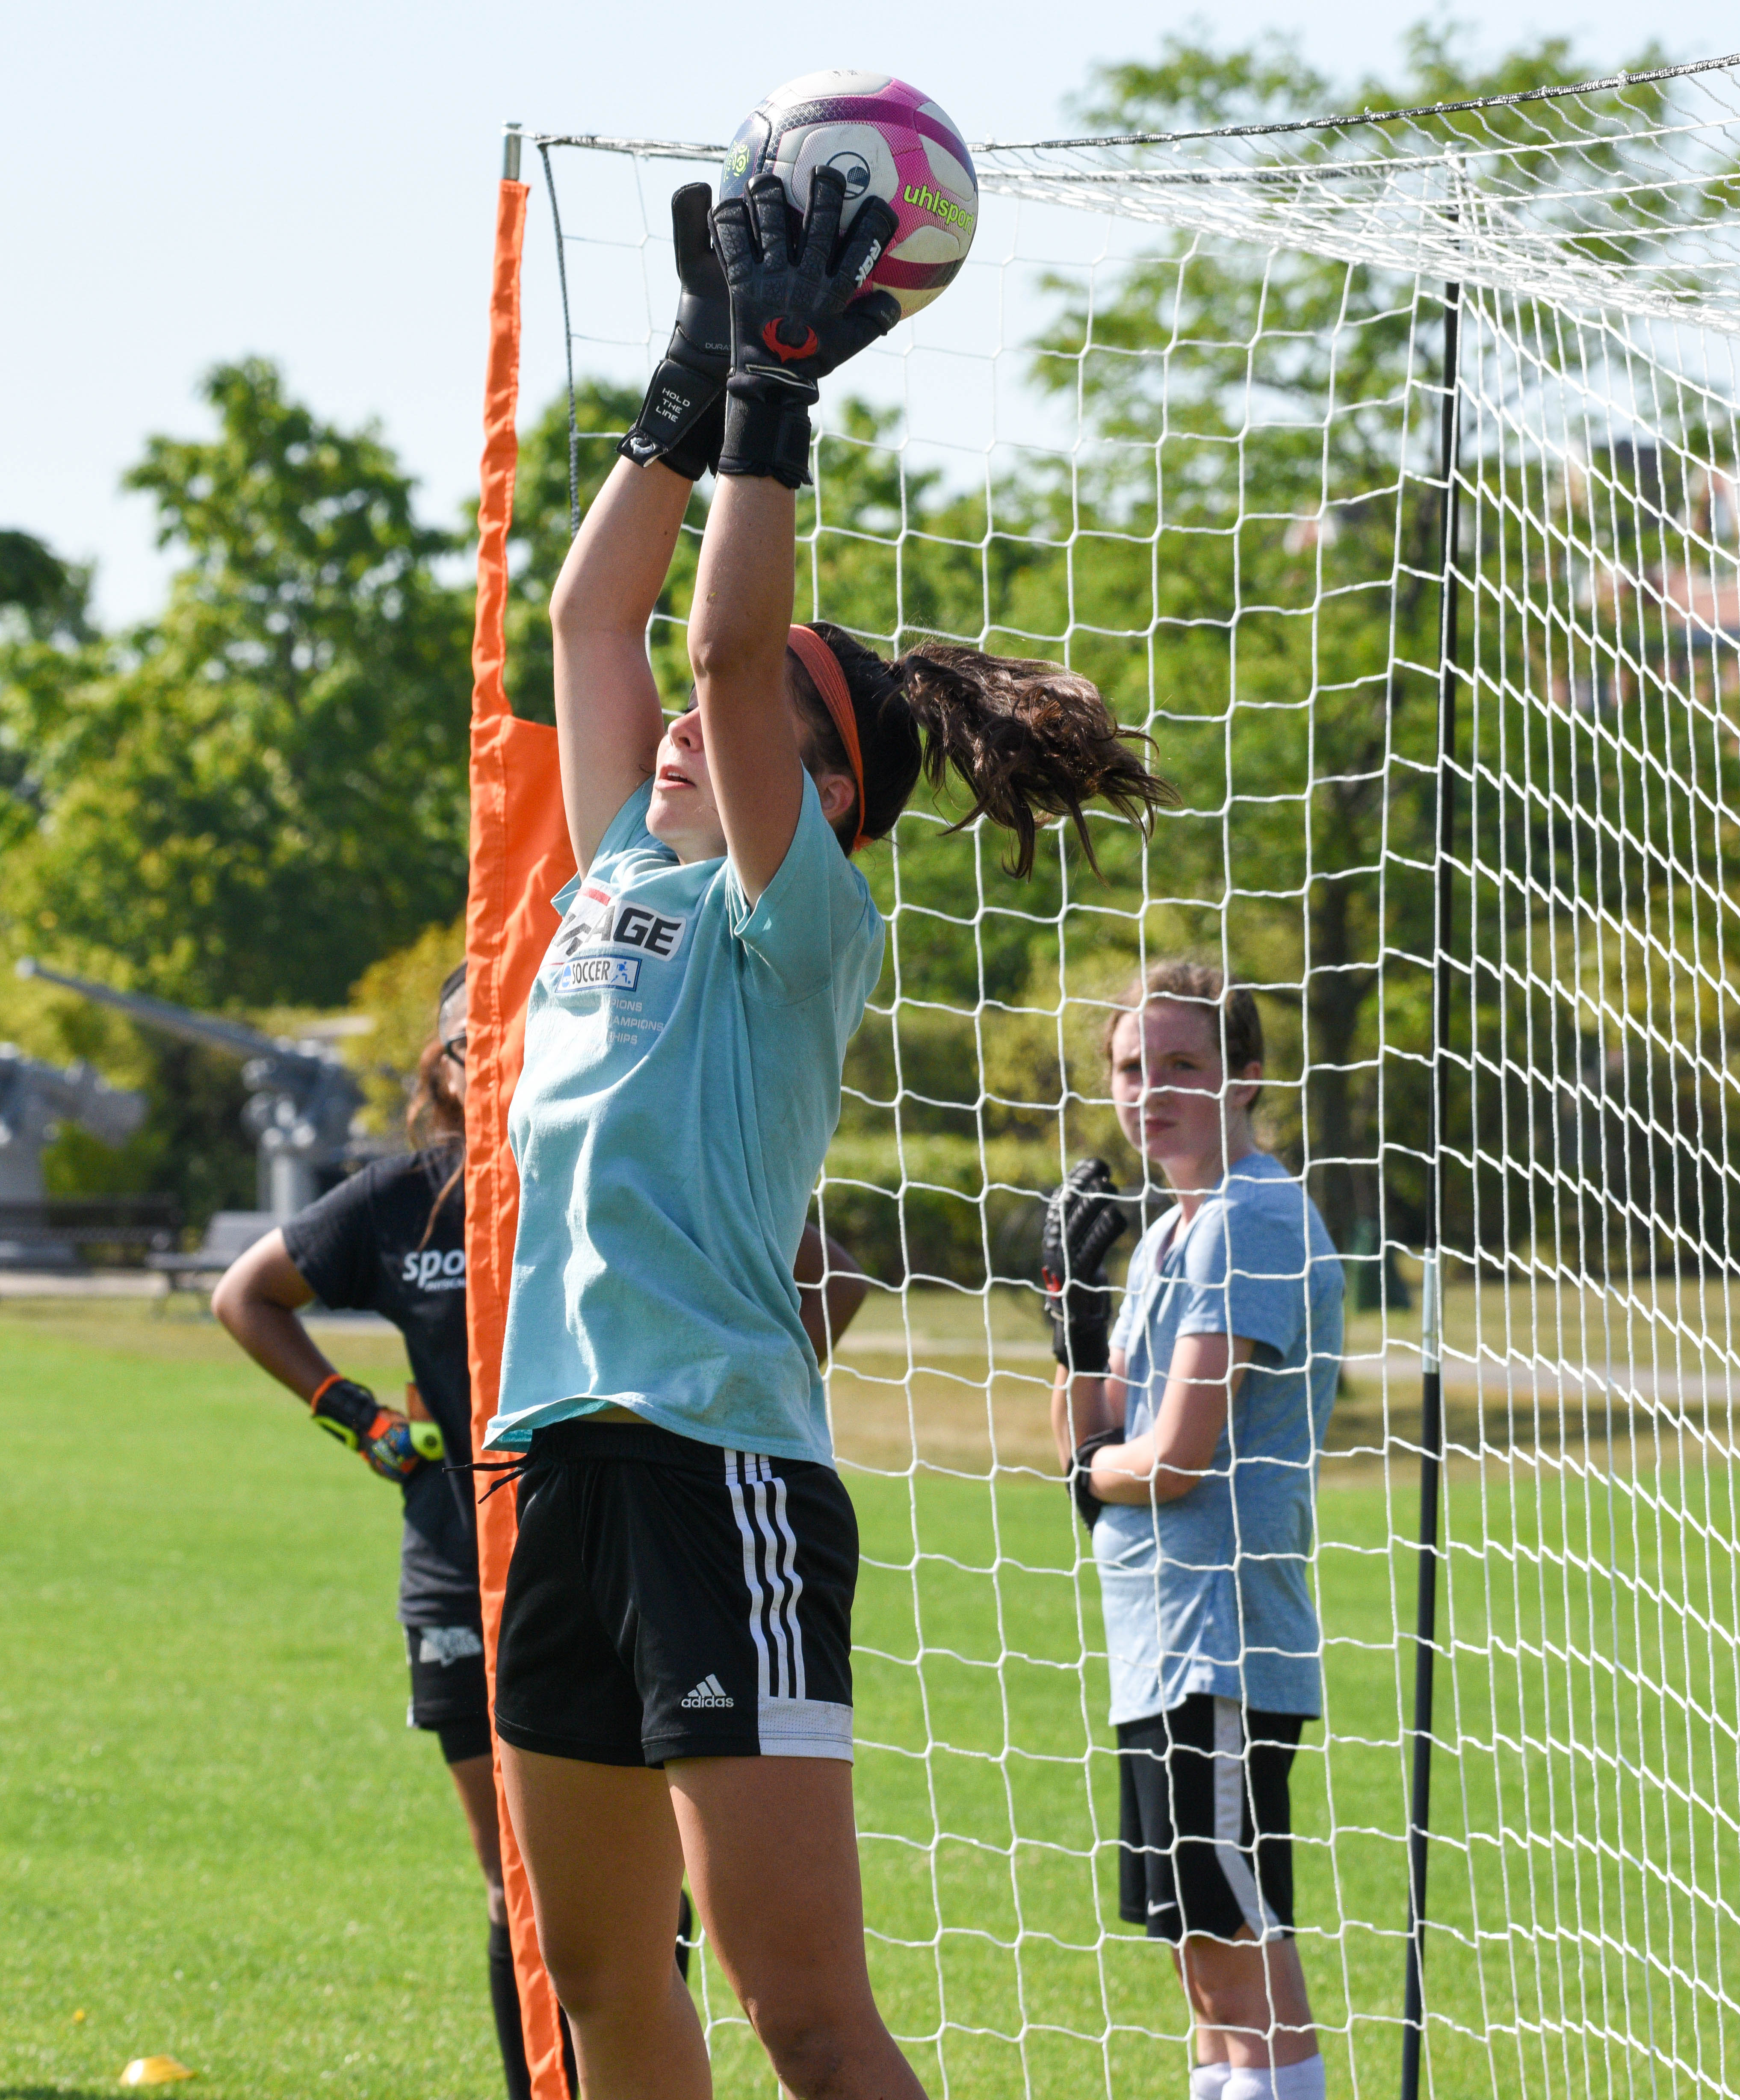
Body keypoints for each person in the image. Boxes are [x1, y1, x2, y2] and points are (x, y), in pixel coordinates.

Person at [486, 169, 1175, 2100]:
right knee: (611, 1998)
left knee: (805, 2017)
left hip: (727, 1482)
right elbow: (591, 609)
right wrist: (695, 370)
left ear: (832, 787)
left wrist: (776, 410)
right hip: (571, 1473)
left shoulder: (800, 925)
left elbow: (709, 647)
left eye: (772, 711)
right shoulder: (625, 862)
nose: (707, 719)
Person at [211, 965, 870, 2100]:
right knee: (520, 1886)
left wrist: (743, 1386)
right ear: (439, 1067)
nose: (491, 1062)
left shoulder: (622, 1165)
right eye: (467, 1046)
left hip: (645, 1538)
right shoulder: (401, 1201)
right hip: (460, 1571)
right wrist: (358, 1418)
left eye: (508, 1036)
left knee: (669, 1909)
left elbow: (838, 1274)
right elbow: (247, 1294)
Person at [1043, 960, 1344, 2100]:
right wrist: (1071, 1312)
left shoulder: (1254, 1217)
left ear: (1247, 1078)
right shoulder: (1173, 1234)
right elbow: (1091, 1441)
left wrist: (1096, 1469)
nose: (1150, 1090)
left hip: (1220, 1639)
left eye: (1183, 1065)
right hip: (1156, 1639)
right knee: (1199, 1962)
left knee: (1237, 1946)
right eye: (1132, 1067)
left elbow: (1168, 1458)